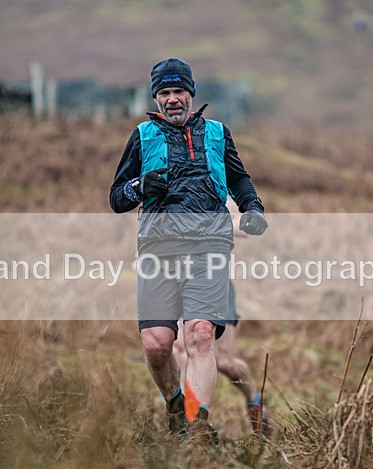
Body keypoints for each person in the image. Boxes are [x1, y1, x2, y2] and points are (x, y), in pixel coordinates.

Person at [109, 58, 267, 441]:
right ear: (156, 98)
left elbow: (239, 178)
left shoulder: (217, 133)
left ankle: (197, 429)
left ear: (191, 94)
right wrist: (140, 188)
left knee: (199, 337)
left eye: (179, 91)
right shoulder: (142, 136)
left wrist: (253, 207)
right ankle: (176, 406)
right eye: (164, 92)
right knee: (157, 346)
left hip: (209, 249)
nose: (173, 99)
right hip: (158, 251)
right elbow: (117, 197)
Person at [171, 279, 272, 437]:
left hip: (212, 281)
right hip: (177, 281)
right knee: (179, 350)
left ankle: (255, 400)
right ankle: (189, 422)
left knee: (224, 362)